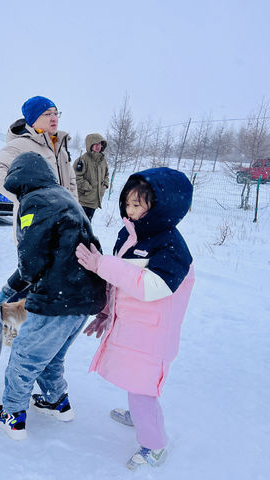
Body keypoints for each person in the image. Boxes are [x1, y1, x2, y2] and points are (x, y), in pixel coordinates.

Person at [74, 167, 195, 470]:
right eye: (127, 203)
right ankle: (140, 414)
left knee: (143, 389)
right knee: (135, 381)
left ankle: (154, 445)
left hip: (152, 336)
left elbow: (150, 286)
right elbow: (122, 283)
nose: (129, 210)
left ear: (161, 206)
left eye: (138, 204)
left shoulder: (172, 248)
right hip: (134, 328)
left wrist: (101, 264)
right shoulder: (133, 234)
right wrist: (106, 312)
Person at [0, 151, 106, 441]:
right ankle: (56, 402)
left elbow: (31, 260)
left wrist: (7, 290)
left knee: (24, 357)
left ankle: (12, 415)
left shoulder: (34, 202)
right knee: (51, 357)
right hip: (83, 297)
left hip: (57, 299)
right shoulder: (62, 197)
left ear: (19, 181)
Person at [0, 96, 78, 239]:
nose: (54, 118)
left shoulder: (59, 147)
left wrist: (75, 213)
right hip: (36, 228)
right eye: (47, 114)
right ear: (33, 120)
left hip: (64, 226)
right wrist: (29, 199)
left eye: (56, 113)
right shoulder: (21, 145)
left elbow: (71, 183)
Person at [75, 133, 109, 221]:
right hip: (84, 200)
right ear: (90, 145)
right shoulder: (82, 160)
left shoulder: (102, 160)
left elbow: (107, 174)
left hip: (95, 200)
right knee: (80, 225)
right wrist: (88, 188)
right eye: (95, 144)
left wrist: (105, 185)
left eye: (100, 144)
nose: (98, 146)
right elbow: (76, 177)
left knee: (87, 225)